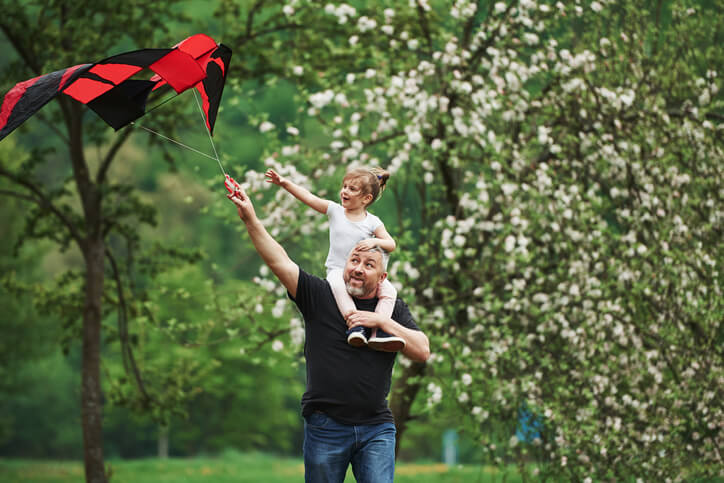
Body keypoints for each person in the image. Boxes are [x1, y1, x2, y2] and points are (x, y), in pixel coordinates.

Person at [227, 182, 430, 483]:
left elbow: (422, 350)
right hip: (326, 426)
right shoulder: (320, 296)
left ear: (382, 276)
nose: (358, 268)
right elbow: (278, 260)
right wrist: (250, 219)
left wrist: (382, 322)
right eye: (354, 261)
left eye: (369, 264)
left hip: (376, 427)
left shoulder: (391, 307)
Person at [265, 166, 403, 351]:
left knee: (389, 291)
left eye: (352, 189)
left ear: (366, 198)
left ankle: (380, 329)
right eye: (344, 186)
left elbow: (390, 244)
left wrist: (373, 241)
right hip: (338, 269)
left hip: (360, 273)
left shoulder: (373, 222)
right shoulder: (335, 211)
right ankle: (356, 325)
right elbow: (309, 198)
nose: (344, 191)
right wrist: (284, 183)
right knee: (338, 287)